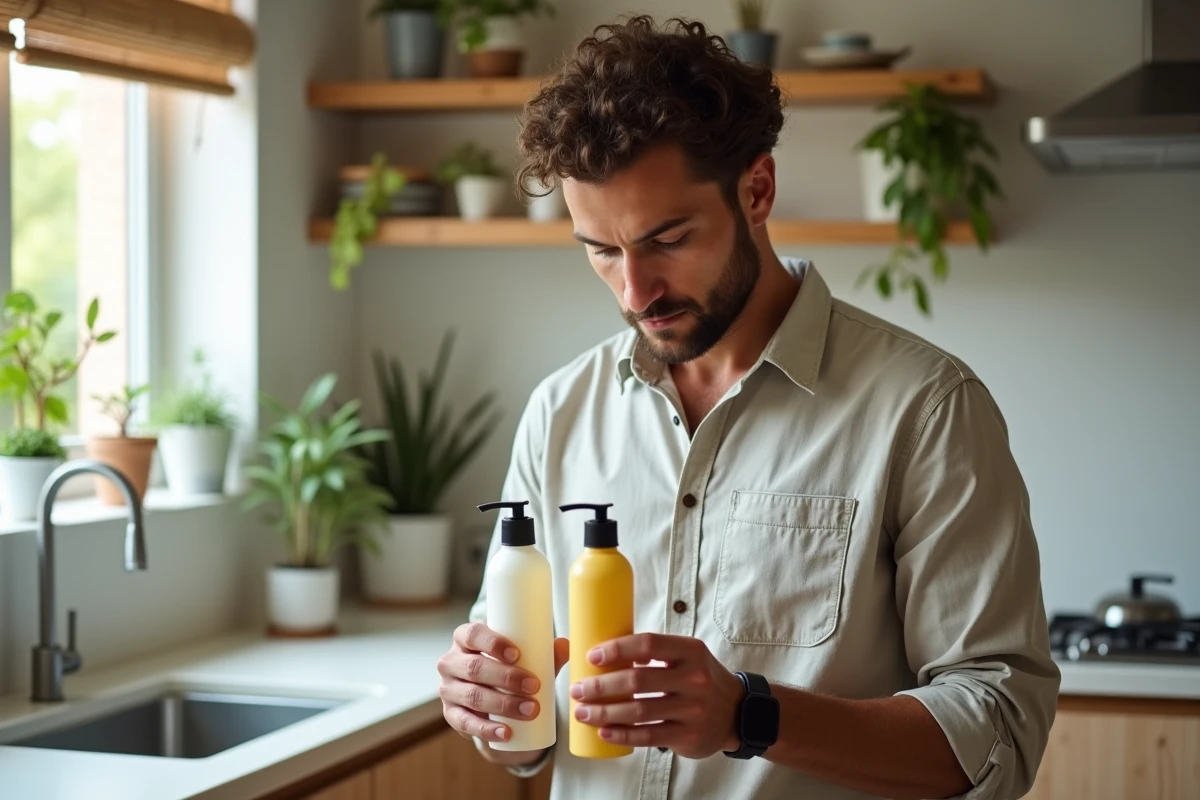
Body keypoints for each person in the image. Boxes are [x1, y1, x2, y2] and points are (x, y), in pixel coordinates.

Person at [436, 15, 1059, 800]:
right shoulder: (560, 410)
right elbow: (523, 737)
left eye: (666, 238)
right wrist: (491, 709)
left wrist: (750, 717)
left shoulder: (927, 409)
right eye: (600, 250)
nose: (634, 291)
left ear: (757, 189)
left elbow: (999, 731)